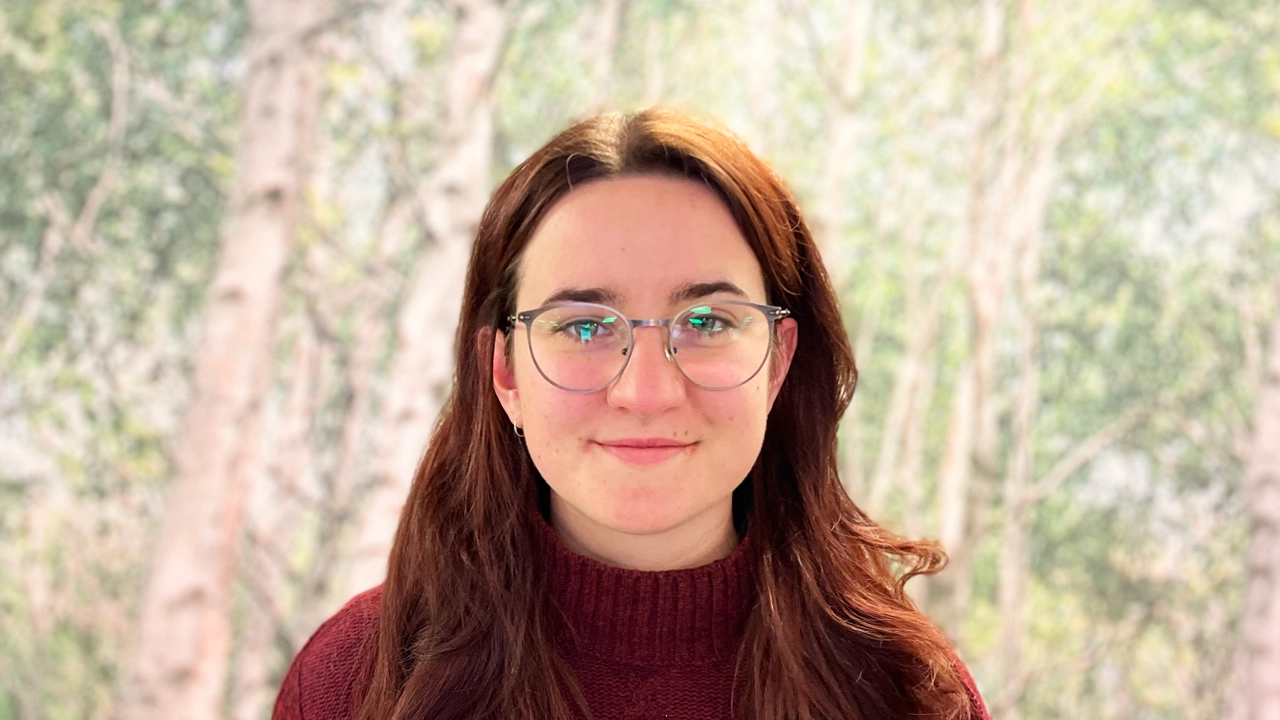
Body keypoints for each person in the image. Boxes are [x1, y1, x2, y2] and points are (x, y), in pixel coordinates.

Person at [271, 109, 991, 720]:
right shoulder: (354, 682)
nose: (646, 392)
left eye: (707, 322)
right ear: (504, 372)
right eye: (584, 326)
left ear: (778, 361)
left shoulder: (909, 691)